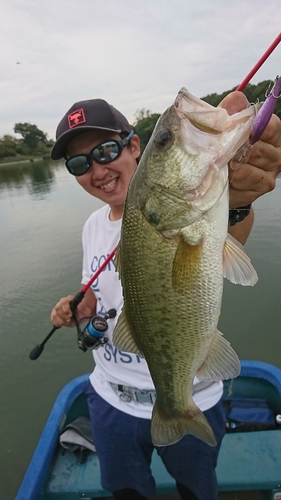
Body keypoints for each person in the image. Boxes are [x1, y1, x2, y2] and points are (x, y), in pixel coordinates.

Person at [50, 93, 281, 500]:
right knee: (126, 490)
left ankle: (178, 410)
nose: (98, 169)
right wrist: (82, 306)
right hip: (109, 398)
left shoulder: (199, 215)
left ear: (133, 146)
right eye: (80, 163)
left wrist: (239, 207)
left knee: (196, 489)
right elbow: (106, 294)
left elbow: (222, 238)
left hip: (193, 393)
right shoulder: (91, 226)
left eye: (106, 150)